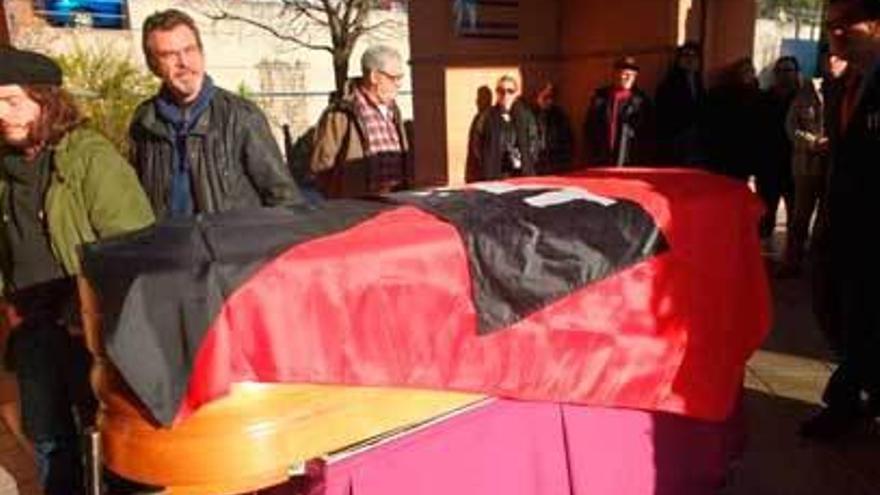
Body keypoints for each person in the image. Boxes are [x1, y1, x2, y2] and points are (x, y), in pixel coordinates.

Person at [0, 47, 154, 494]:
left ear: (44, 99)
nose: (1, 113)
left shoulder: (89, 158)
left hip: (88, 328)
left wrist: (85, 312)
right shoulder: (5, 169)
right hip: (31, 328)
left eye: (11, 100)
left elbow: (133, 245)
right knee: (48, 439)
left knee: (109, 437)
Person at [130, 8, 303, 218]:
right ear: (153, 65)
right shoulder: (145, 122)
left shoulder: (241, 116)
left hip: (232, 248)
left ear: (201, 53)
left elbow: (285, 200)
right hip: (169, 248)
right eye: (169, 55)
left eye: (189, 50)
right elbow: (135, 202)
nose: (183, 63)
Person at [800, 0, 880, 440]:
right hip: (843, 222)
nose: (836, 33)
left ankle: (847, 402)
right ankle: (855, 393)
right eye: (830, 26)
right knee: (837, 309)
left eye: (846, 24)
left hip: (873, 226)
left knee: (862, 315)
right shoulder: (846, 82)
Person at [310, 45, 410, 198]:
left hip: (395, 203)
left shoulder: (393, 110)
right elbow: (322, 166)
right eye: (394, 78)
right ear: (374, 77)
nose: (399, 84)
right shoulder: (340, 113)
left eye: (400, 78)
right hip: (357, 208)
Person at [757, 56, 801, 241]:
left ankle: (792, 260)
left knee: (795, 216)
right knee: (765, 217)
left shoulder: (803, 99)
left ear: (796, 73)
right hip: (768, 166)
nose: (785, 75)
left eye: (789, 70)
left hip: (794, 166)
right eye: (781, 71)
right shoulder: (763, 99)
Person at [583, 56, 653, 166]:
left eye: (632, 75)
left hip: (629, 160)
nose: (628, 78)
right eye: (625, 74)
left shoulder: (641, 101)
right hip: (602, 158)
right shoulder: (600, 98)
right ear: (615, 74)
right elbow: (590, 127)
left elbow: (647, 134)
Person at [466, 75, 538, 181]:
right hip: (494, 175)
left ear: (516, 94)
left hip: (520, 174)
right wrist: (487, 163)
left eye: (510, 91)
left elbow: (534, 141)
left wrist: (526, 159)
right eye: (501, 91)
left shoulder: (526, 116)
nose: (505, 95)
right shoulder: (486, 116)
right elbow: (477, 144)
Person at [704, 57, 763, 181]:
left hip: (747, 151)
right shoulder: (721, 94)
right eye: (743, 71)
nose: (747, 74)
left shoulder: (760, 96)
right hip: (725, 151)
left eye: (750, 71)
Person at [655, 42, 706, 165]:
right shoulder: (669, 83)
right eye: (686, 55)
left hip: (695, 134)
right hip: (677, 135)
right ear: (679, 59)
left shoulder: (698, 81)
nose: (690, 59)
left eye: (694, 56)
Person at [530, 81, 574, 175]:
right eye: (545, 97)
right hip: (535, 164)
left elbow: (568, 140)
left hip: (556, 163)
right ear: (537, 96)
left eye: (551, 97)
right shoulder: (528, 114)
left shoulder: (559, 115)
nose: (549, 101)